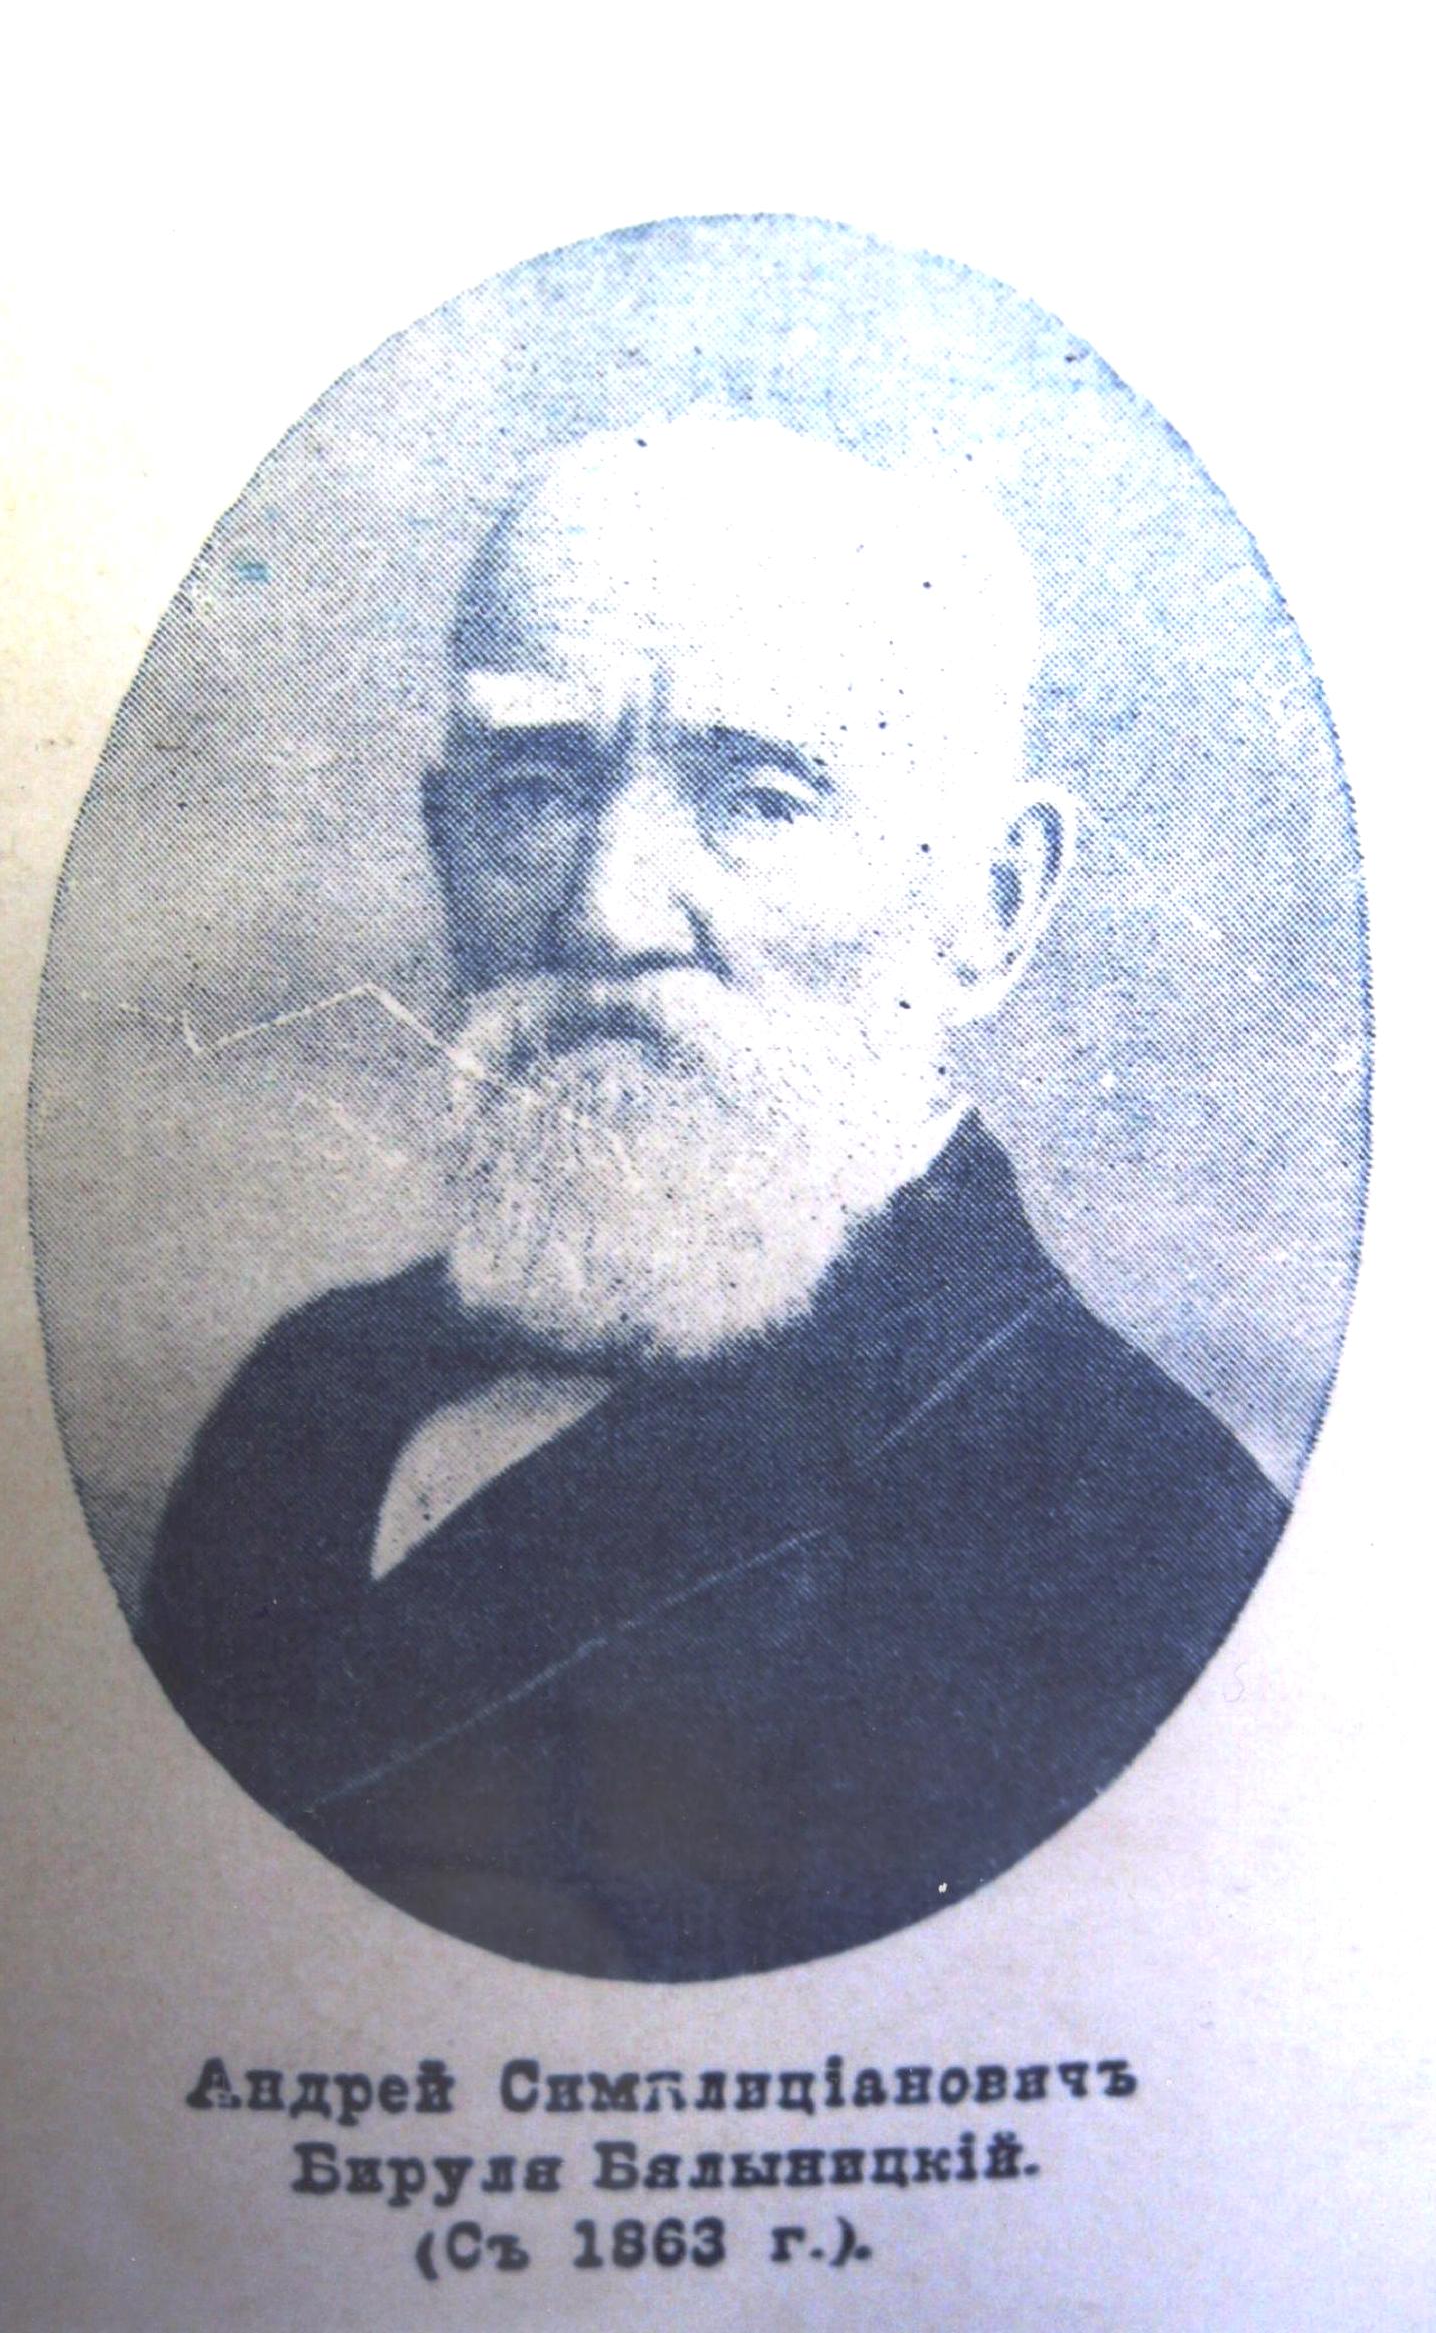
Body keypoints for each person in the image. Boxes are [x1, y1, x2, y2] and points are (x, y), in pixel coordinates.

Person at [140, 416, 1286, 1980]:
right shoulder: (306, 1399)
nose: (605, 910)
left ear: (993, 902)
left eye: (759, 797)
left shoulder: (1138, 1535)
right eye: (534, 785)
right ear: (443, 837)